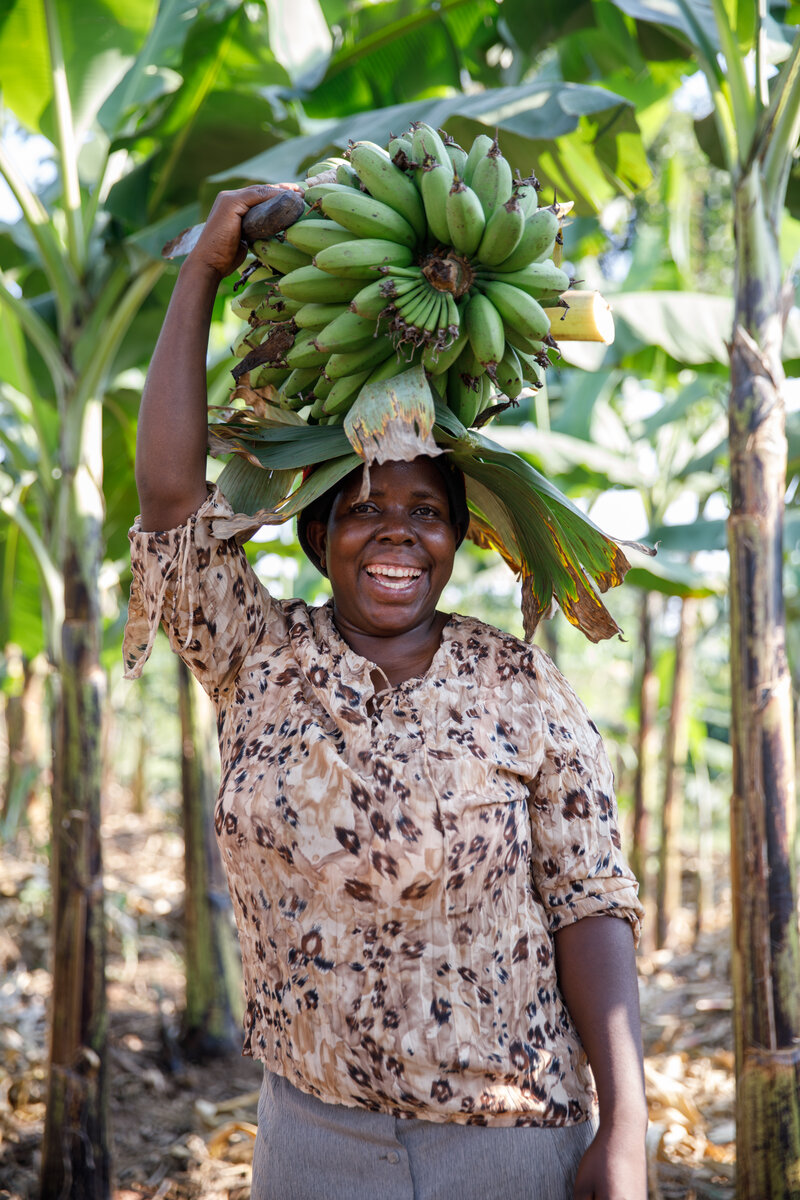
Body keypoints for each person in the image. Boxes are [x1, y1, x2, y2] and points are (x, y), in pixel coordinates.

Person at [124, 185, 648, 1200]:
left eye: (425, 511)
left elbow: (589, 904)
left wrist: (626, 1124)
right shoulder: (257, 658)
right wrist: (202, 271)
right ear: (318, 537)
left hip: (507, 1136)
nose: (395, 530)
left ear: (458, 540)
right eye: (363, 509)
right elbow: (170, 501)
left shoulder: (518, 684)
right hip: (311, 1140)